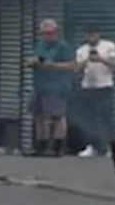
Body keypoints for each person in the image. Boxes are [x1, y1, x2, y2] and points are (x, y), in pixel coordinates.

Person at [25, 19, 77, 156]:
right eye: (45, 33)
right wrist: (32, 62)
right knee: (39, 116)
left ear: (57, 32)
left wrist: (52, 65)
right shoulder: (40, 46)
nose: (49, 36)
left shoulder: (63, 46)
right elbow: (33, 58)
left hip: (57, 86)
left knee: (57, 116)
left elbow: (72, 66)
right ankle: (40, 146)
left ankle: (57, 147)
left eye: (51, 33)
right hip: (40, 86)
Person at [74, 25, 115, 158]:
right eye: (88, 35)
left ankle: (108, 147)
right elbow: (77, 70)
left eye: (94, 34)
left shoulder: (109, 46)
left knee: (106, 118)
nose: (91, 37)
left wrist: (100, 59)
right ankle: (92, 146)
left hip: (105, 86)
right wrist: (86, 60)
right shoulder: (81, 50)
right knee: (89, 119)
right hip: (88, 87)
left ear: (99, 34)